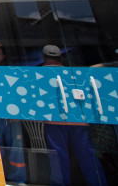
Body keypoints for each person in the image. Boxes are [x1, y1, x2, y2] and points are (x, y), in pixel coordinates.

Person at [41, 44, 107, 186]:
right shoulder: (73, 73)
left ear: (43, 57)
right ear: (61, 57)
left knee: (59, 158)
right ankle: (98, 182)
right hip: (78, 120)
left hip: (54, 121)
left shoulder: (39, 74)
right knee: (87, 156)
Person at [0, 39, 27, 185]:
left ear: (4, 56)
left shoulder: (11, 71)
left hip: (12, 116)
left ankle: (18, 178)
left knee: (16, 146)